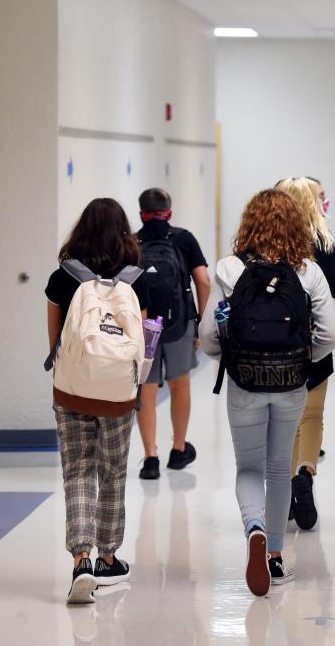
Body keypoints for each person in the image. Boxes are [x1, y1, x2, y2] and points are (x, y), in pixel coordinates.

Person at [199, 188, 335, 596]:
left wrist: (229, 354)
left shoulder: (228, 269)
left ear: (249, 224)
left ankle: (254, 529)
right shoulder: (308, 270)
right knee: (280, 469)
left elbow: (209, 336)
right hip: (292, 382)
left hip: (244, 381)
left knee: (248, 469)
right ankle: (276, 558)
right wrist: (303, 357)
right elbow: (331, 333)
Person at [45, 198, 150, 603]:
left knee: (77, 472)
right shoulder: (137, 279)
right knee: (112, 470)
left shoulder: (62, 278)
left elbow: (54, 340)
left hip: (71, 389)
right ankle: (108, 558)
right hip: (119, 394)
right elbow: (141, 340)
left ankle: (81, 561)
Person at [275, 177, 335, 531]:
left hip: (276, 342)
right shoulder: (324, 243)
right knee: (311, 416)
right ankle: (305, 473)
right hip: (315, 339)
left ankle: (284, 491)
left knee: (284, 421)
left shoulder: (272, 243)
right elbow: (334, 286)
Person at [135, 188, 210, 480]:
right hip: (178, 324)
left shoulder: (132, 242)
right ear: (170, 211)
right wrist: (201, 321)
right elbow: (202, 281)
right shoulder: (183, 238)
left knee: (148, 389)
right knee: (180, 385)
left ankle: (150, 458)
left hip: (146, 327)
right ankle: (178, 450)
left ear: (142, 212)